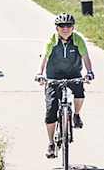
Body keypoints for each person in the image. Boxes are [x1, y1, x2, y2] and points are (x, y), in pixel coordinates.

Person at [35, 12, 95, 159]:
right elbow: (44, 57)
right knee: (51, 110)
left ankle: (76, 115)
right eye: (62, 26)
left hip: (73, 73)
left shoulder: (78, 39)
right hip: (53, 76)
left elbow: (85, 56)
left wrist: (89, 72)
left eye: (69, 26)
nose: (65, 29)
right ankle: (51, 143)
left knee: (80, 93)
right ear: (57, 28)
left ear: (73, 27)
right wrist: (39, 73)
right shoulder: (52, 40)